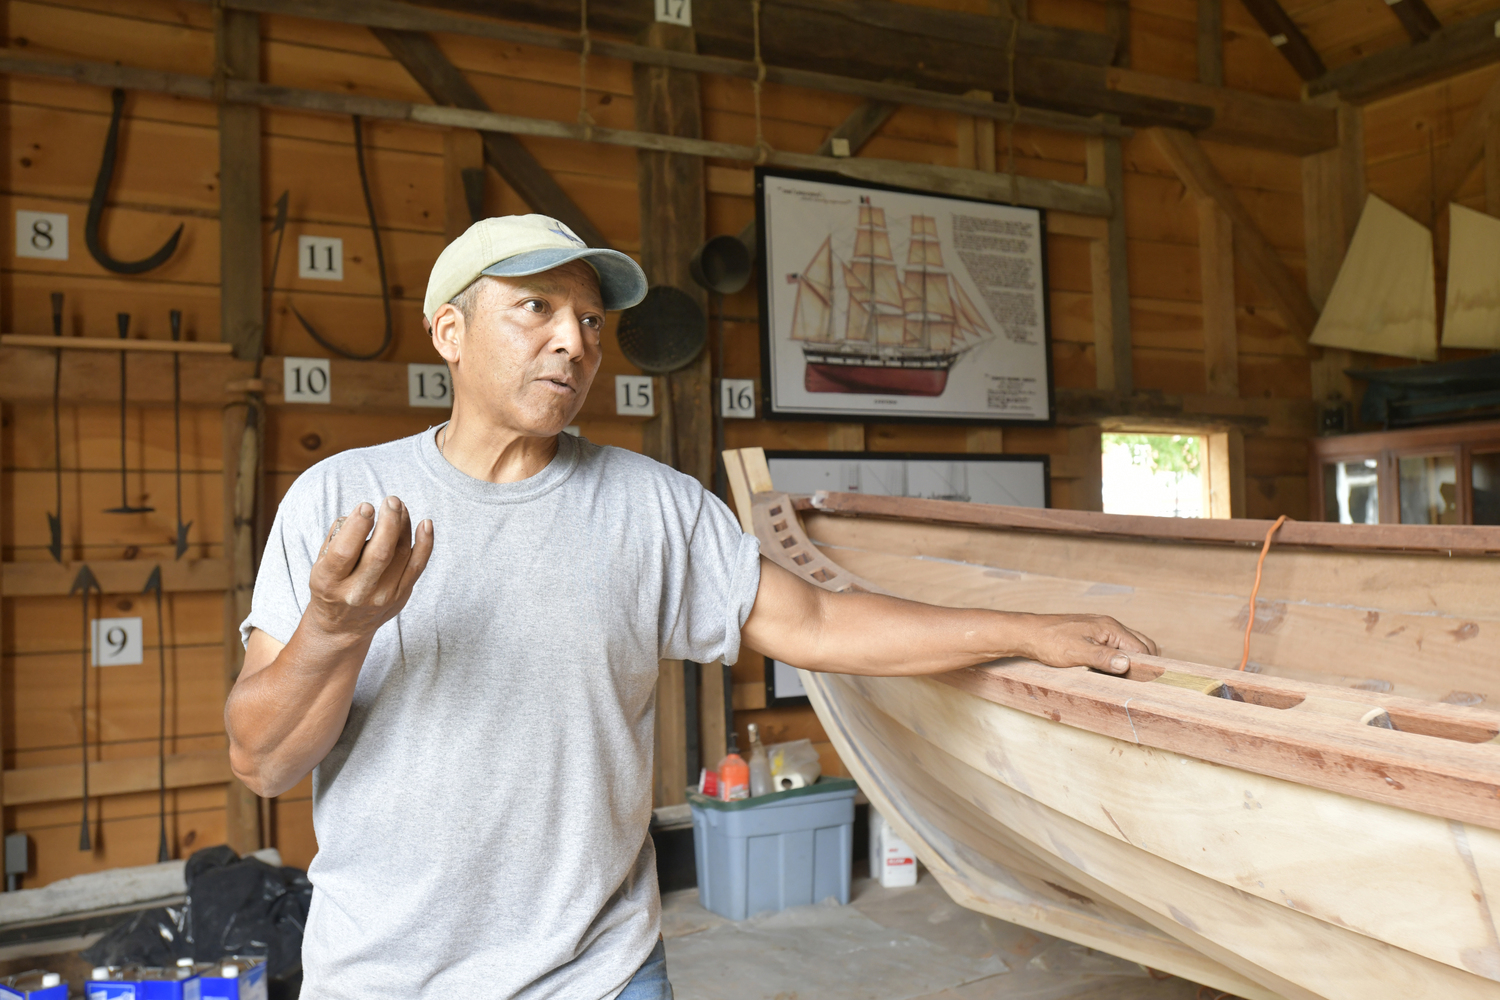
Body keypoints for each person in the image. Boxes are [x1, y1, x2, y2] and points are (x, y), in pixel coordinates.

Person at [225, 214, 1156, 1000]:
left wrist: (1027, 631)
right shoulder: (340, 497)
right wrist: (335, 632)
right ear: (449, 332)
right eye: (535, 308)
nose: (575, 340)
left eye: (590, 320)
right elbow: (263, 759)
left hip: (602, 972)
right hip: (386, 977)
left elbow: (820, 624)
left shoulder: (653, 506)